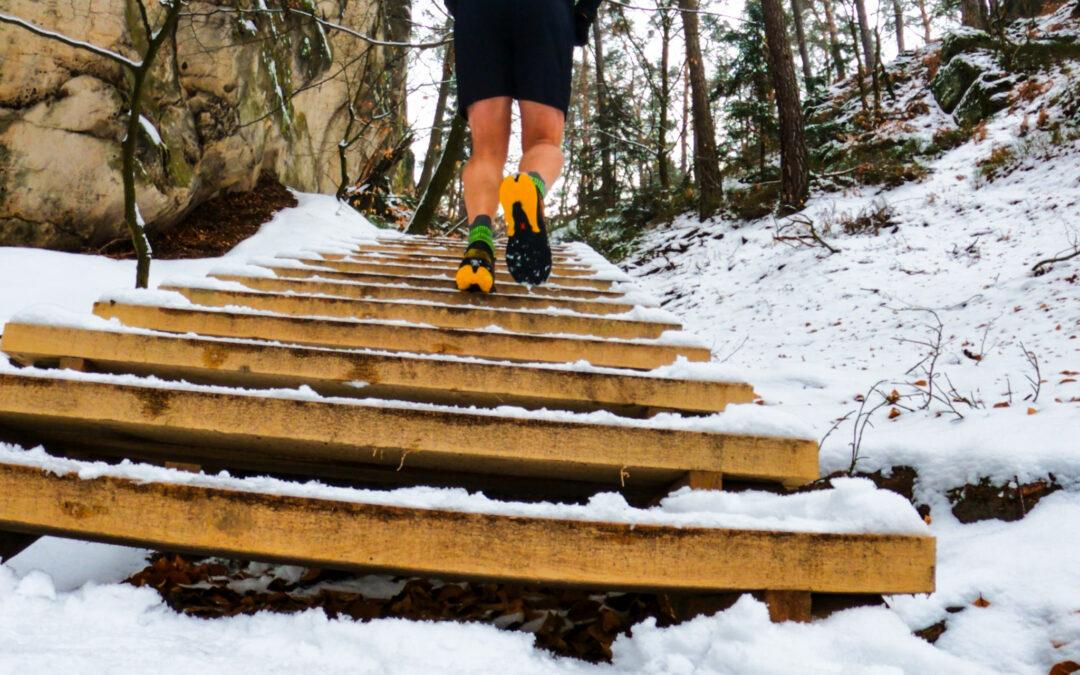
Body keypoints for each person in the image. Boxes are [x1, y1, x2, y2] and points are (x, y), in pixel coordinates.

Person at [445, 0, 603, 292]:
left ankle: (479, 246)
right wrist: (584, 13)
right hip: (545, 11)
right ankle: (530, 185)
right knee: (545, 140)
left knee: (486, 151)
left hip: (478, 13)